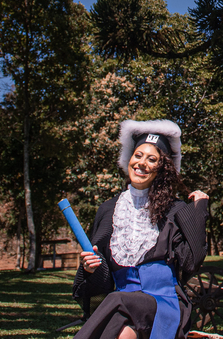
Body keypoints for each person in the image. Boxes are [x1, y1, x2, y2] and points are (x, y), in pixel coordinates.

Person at [72, 119, 210, 339]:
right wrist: (90, 269)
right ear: (129, 159)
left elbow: (191, 262)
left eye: (152, 159)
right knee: (121, 332)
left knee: (117, 300)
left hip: (163, 303)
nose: (142, 163)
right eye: (138, 155)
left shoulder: (175, 210)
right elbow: (104, 280)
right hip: (123, 306)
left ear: (161, 168)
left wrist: (199, 211)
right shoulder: (108, 210)